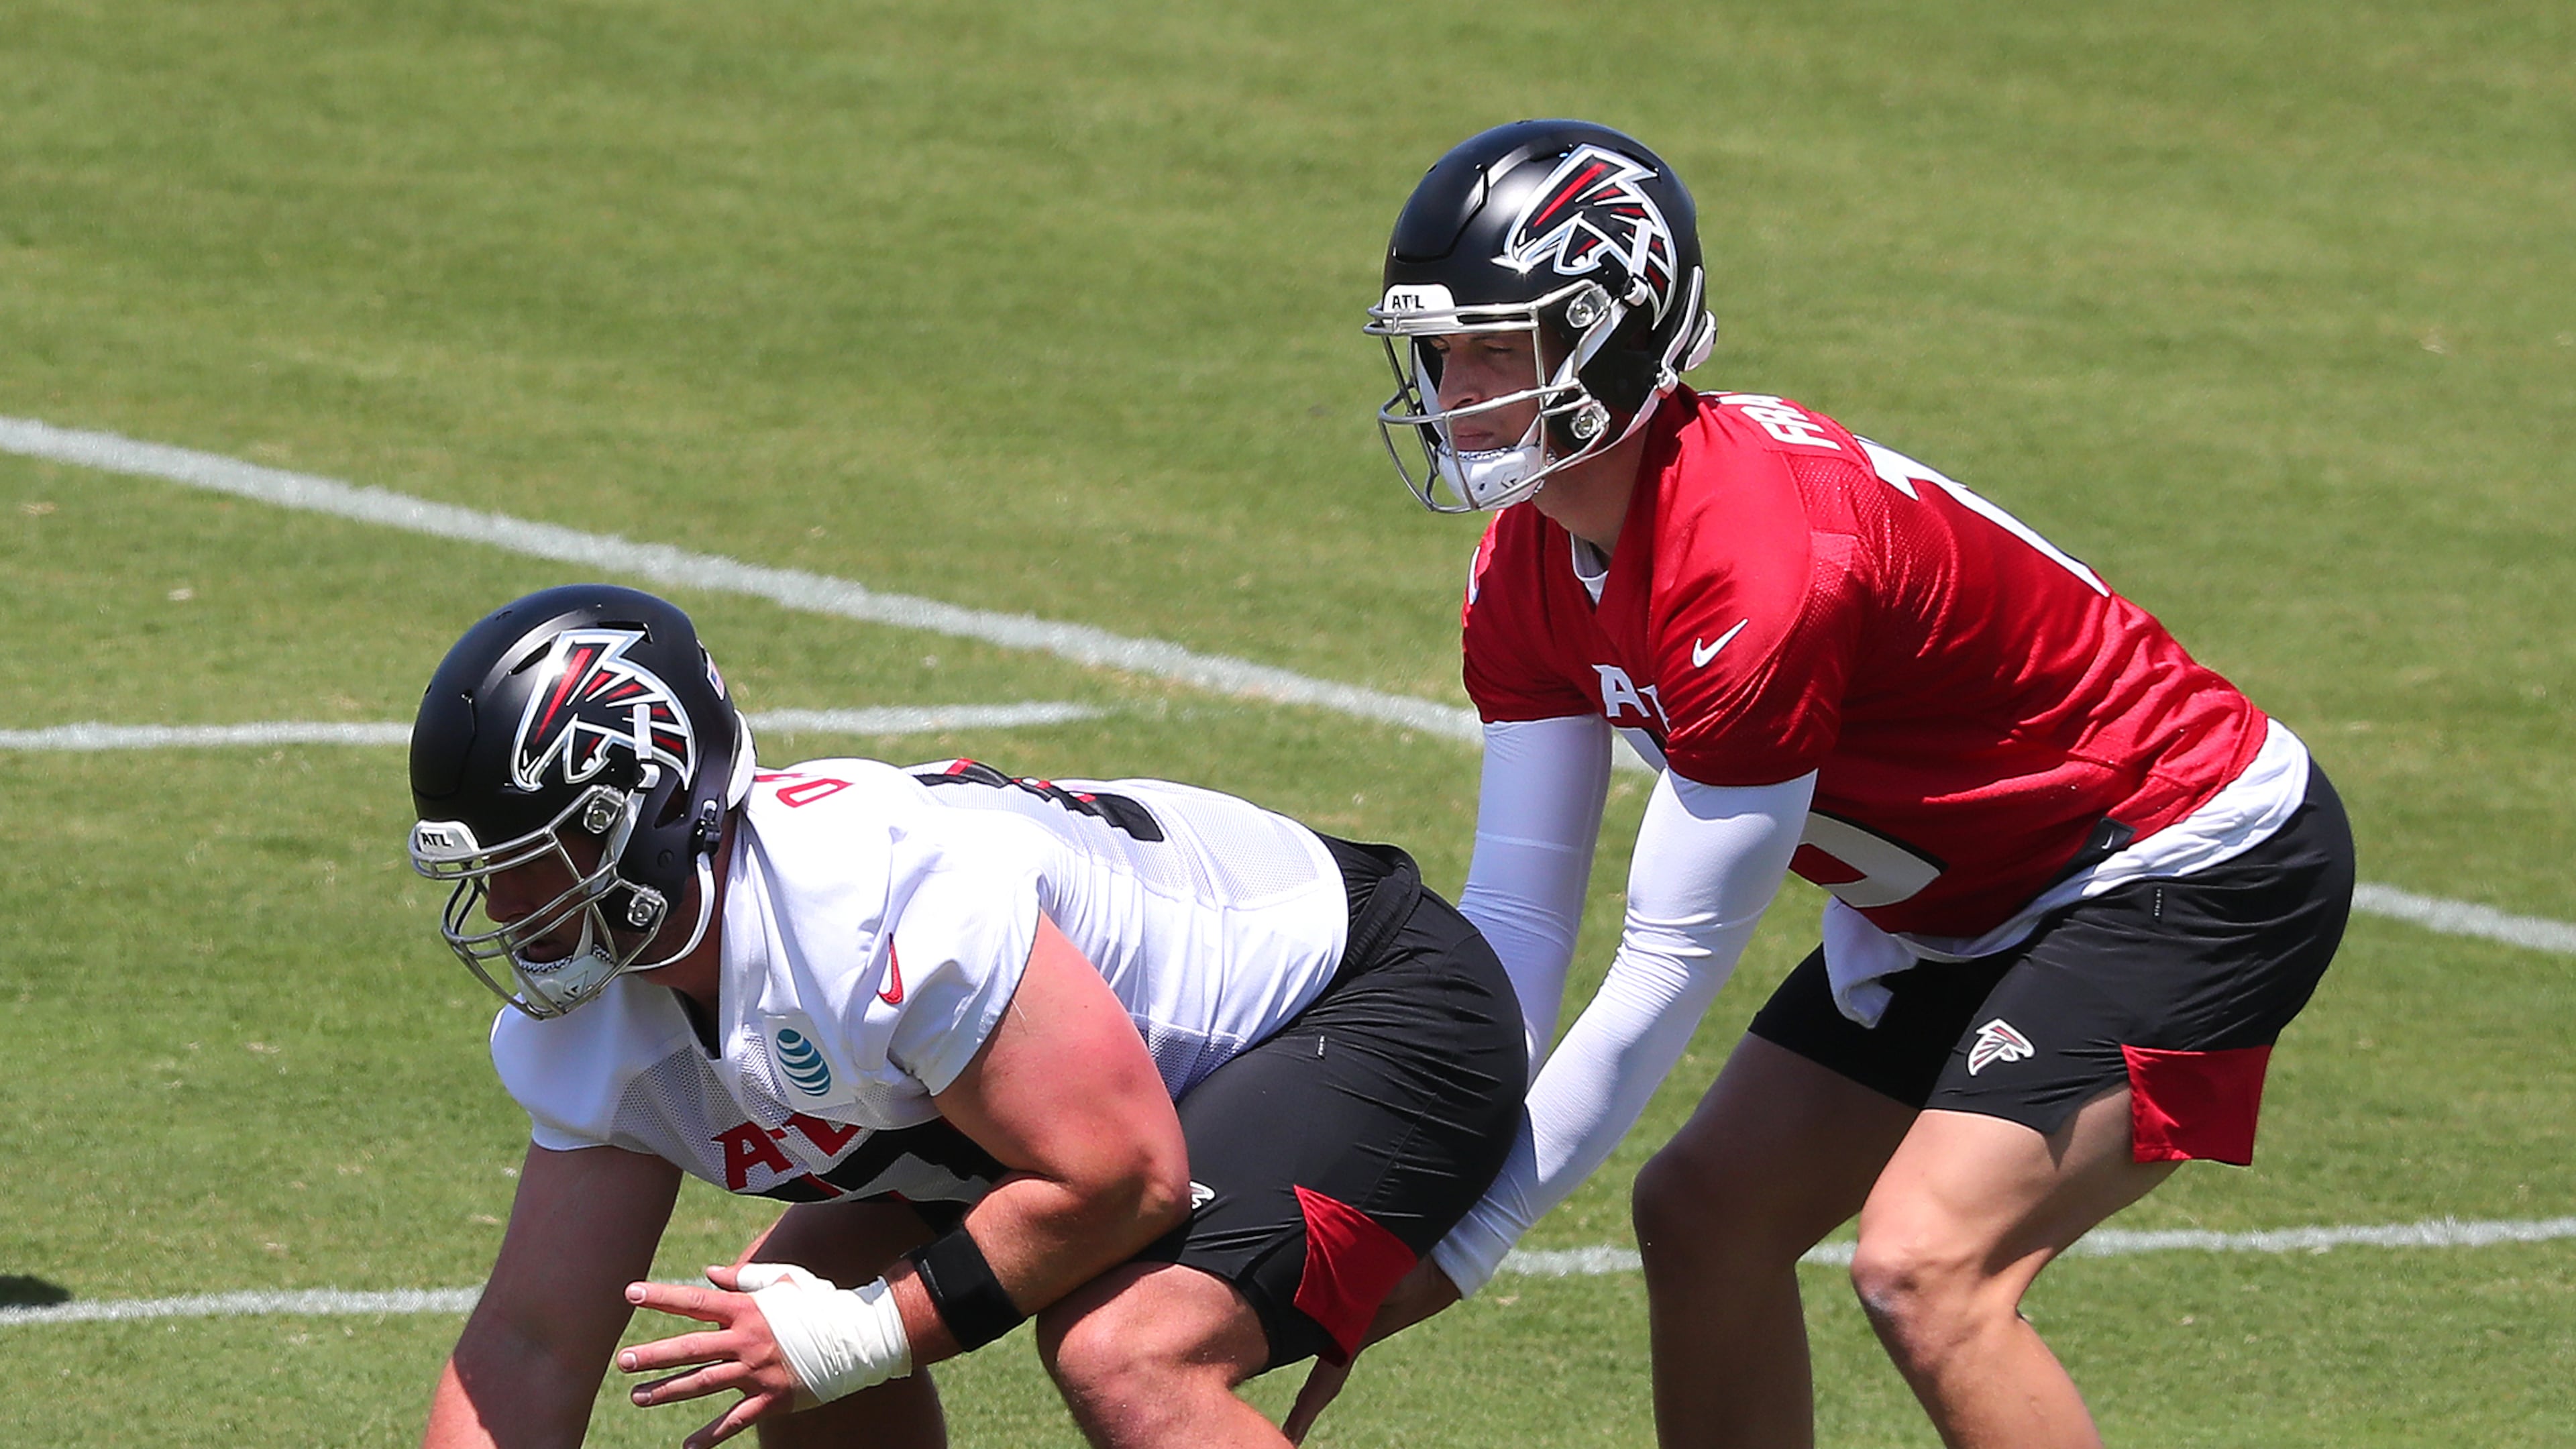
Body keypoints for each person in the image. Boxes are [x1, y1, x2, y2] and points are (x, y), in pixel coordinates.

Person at [1293, 119, 2355, 1449]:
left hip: (2184, 864)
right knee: (1702, 1216)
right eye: (1441, 353)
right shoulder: (1523, 565)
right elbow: (1516, 926)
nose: (1455, 391)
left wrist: (1458, 1247)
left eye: (1499, 347)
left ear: (1615, 337)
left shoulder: (1757, 563)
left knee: (1928, 1271)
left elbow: (1663, 963)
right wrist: (1400, 1189)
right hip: (1969, 889)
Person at [404, 584, 1525, 1449]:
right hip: (1095, 1091)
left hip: (1359, 993)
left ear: (647, 809)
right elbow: (528, 1348)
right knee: (784, 1325)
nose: (507, 913)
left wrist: (863, 1336)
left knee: (1126, 1353)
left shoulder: (865, 905)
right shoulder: (599, 1015)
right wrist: (834, 1337)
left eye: (535, 864)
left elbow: (1119, 1174)